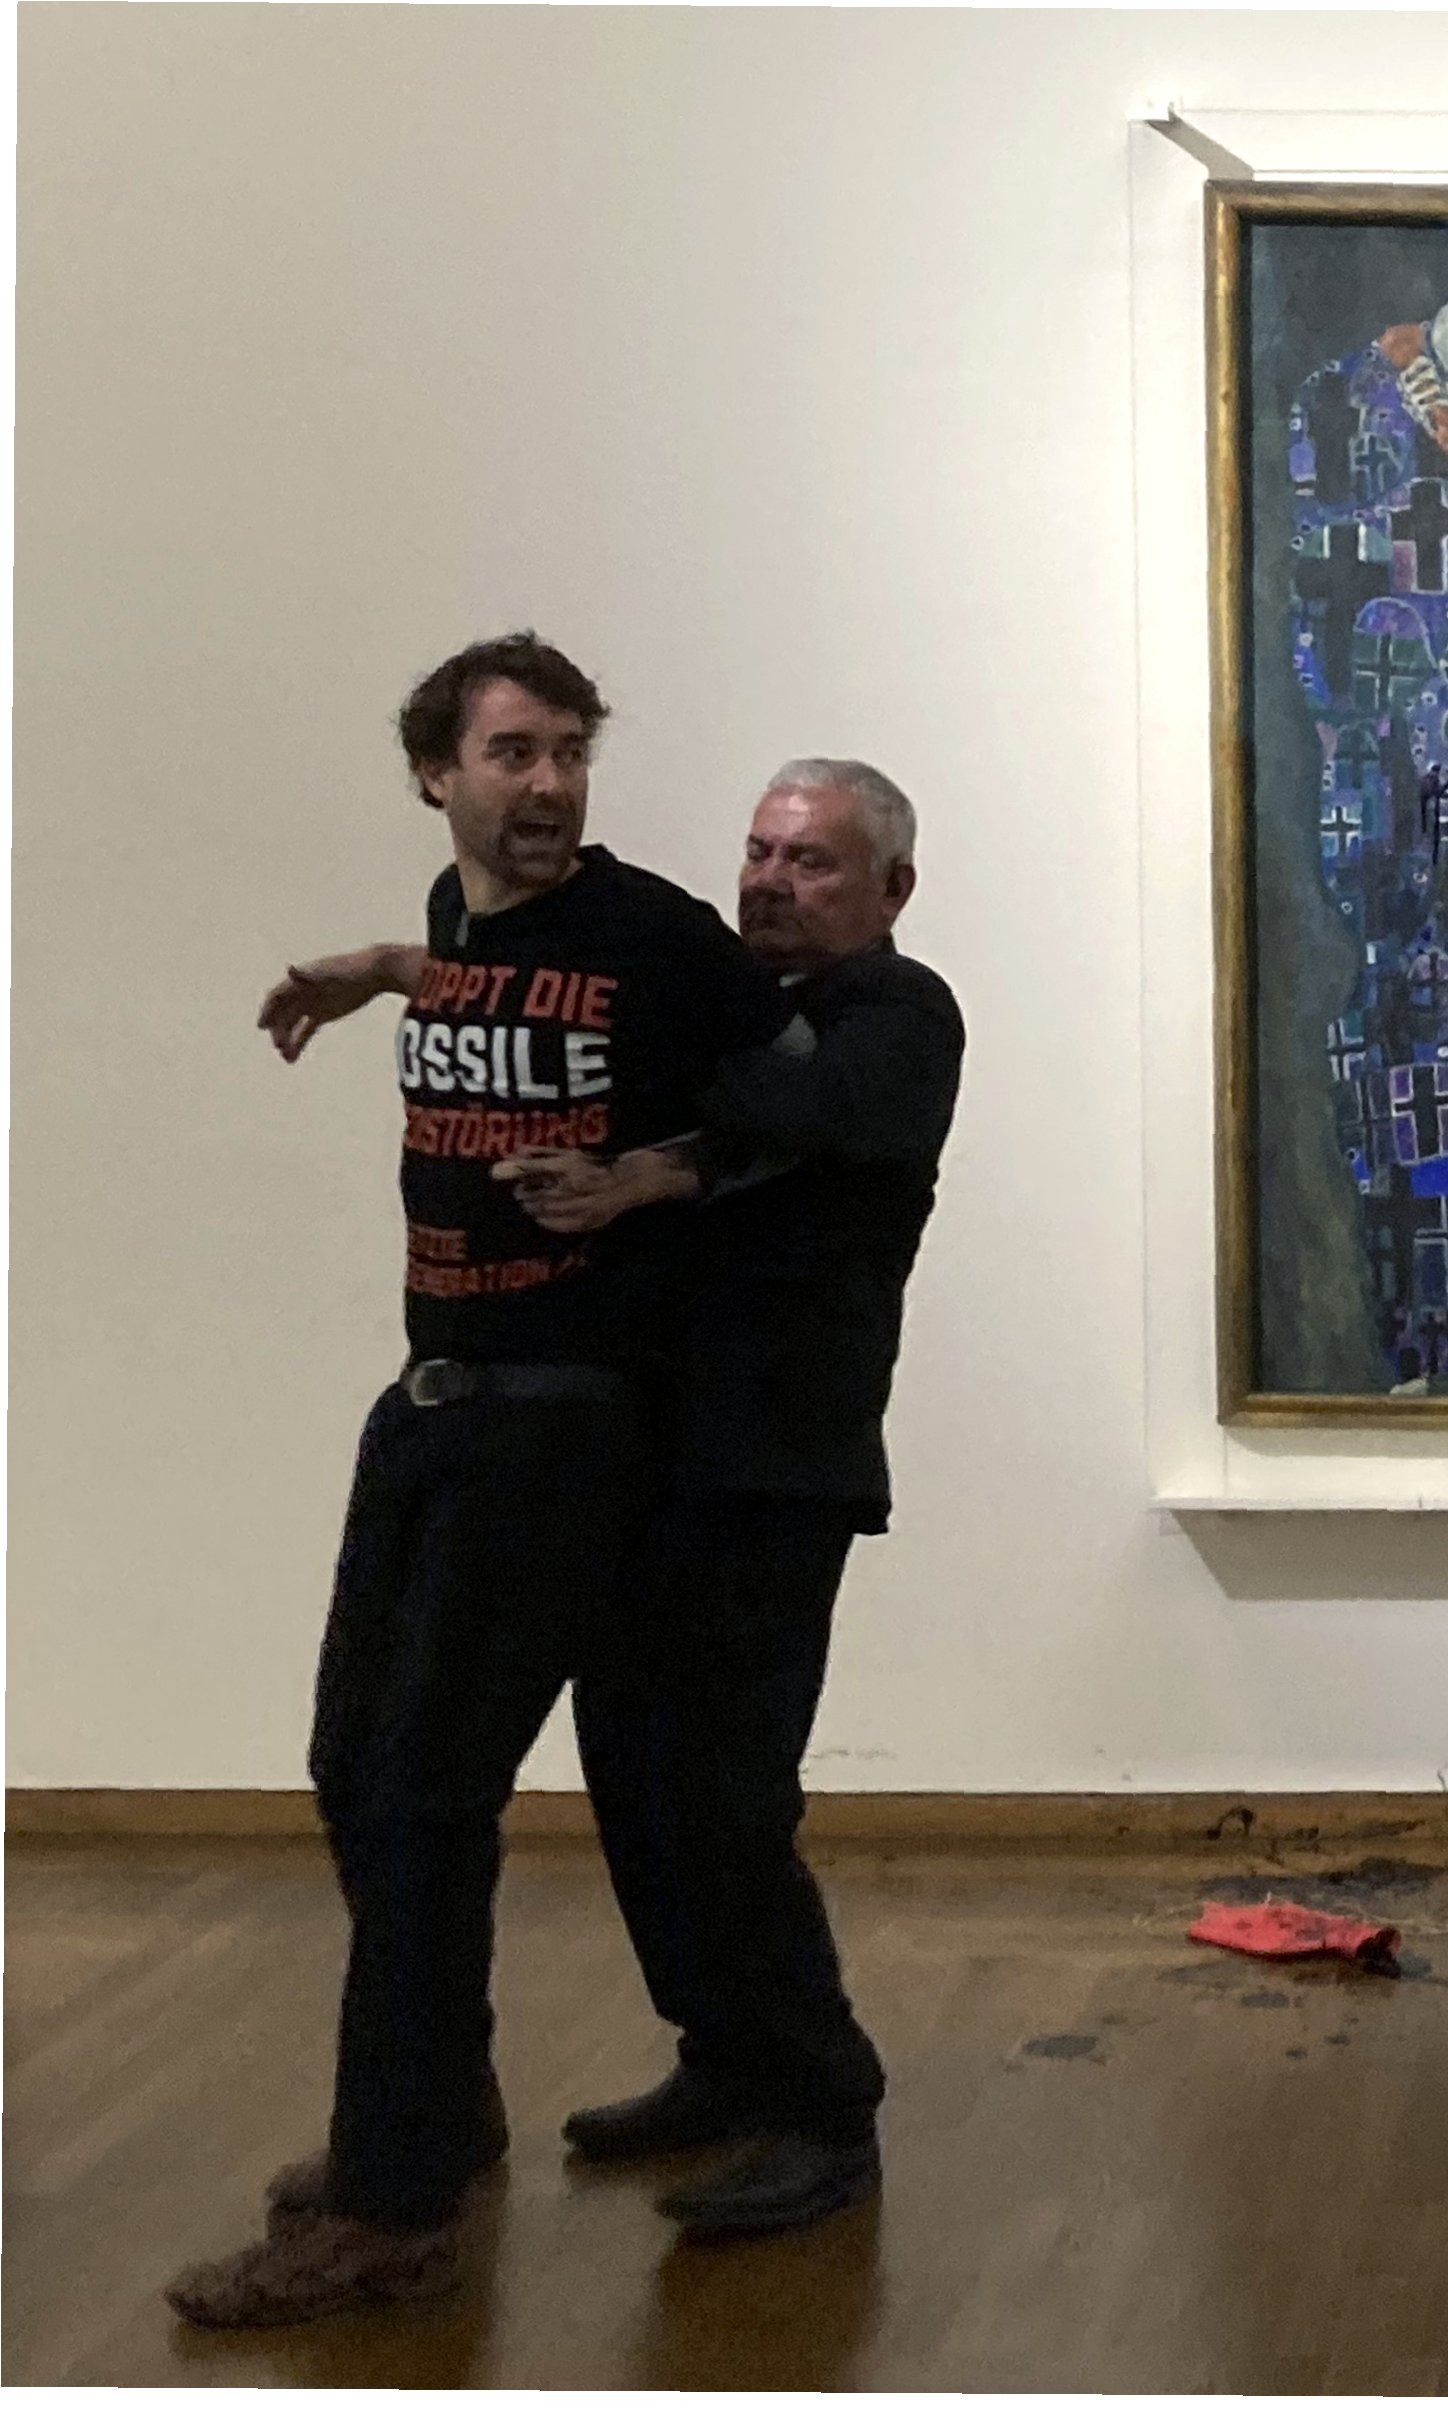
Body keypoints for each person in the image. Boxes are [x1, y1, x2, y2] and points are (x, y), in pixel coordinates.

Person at [169, 635, 796, 2325]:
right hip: (432, 1399)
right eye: (514, 753)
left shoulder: (654, 933)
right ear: (434, 776)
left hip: (566, 1423)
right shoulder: (459, 922)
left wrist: (653, 1172)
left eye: (569, 752)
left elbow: (806, 1105)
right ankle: (434, 2106)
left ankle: (393, 2204)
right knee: (348, 1764)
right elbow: (487, 971)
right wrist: (388, 967)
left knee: (425, 1793)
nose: (549, 784)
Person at [506, 759, 960, 2239]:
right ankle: (723, 2055)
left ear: (890, 889)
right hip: (646, 1453)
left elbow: (813, 1111)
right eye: (760, 852)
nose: (769, 879)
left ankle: (825, 2104)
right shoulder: (737, 1019)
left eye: (810, 860)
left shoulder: (900, 1011)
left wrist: (662, 1148)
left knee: (726, 1792)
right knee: (635, 1774)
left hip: (775, 1466)